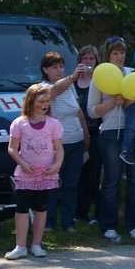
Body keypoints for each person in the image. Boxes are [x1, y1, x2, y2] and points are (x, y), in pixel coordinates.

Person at [5, 83, 64, 260]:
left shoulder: (53, 124)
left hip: (46, 174)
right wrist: (22, 164)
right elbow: (12, 148)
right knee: (22, 208)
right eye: (41, 101)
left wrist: (57, 164)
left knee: (41, 208)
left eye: (47, 101)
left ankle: (37, 244)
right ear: (31, 101)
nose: (44, 105)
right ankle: (20, 246)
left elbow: (59, 148)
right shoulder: (19, 123)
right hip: (25, 174)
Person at [88, 37, 135, 242]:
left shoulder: (132, 74)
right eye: (115, 53)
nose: (119, 57)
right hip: (110, 132)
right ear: (108, 55)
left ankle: (133, 224)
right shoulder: (99, 76)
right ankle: (108, 224)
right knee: (112, 179)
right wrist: (113, 103)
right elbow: (92, 111)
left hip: (133, 131)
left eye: (122, 52)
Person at [40, 51, 90, 232]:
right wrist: (72, 77)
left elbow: (78, 111)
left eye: (61, 66)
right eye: (55, 67)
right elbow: (54, 91)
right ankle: (49, 222)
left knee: (71, 184)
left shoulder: (69, 86)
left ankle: (68, 222)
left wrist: (86, 136)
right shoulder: (42, 87)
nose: (59, 70)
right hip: (55, 144)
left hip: (76, 141)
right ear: (45, 70)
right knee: (52, 183)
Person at [73, 45, 102, 226]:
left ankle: (96, 214)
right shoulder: (73, 82)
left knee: (96, 173)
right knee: (80, 173)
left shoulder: (99, 82)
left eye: (92, 59)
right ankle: (80, 212)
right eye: (85, 58)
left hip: (96, 131)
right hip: (77, 132)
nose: (88, 62)